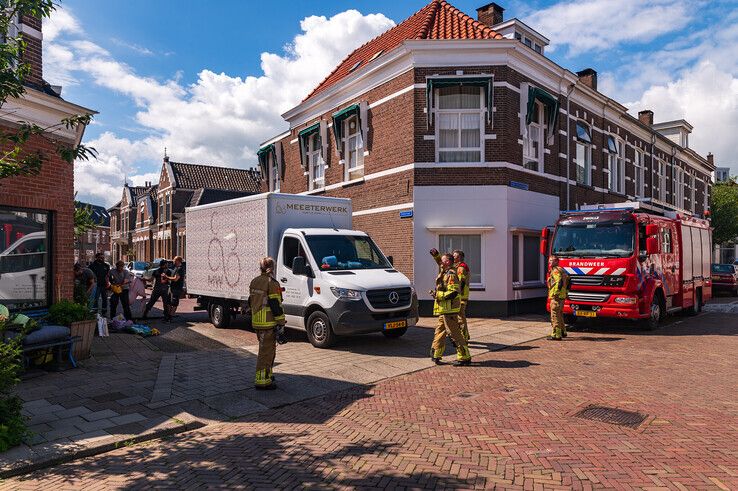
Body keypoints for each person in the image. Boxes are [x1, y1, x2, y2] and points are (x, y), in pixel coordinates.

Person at [249, 257, 286, 390]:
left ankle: (268, 375)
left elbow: (250, 302)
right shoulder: (272, 283)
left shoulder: (254, 281)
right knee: (265, 353)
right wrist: (281, 322)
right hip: (269, 323)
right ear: (272, 268)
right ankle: (262, 381)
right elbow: (276, 305)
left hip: (257, 322)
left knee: (268, 351)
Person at [429, 253, 471, 366]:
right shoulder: (445, 271)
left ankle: (464, 357)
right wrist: (436, 255)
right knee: (439, 331)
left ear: (447, 262)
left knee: (454, 333)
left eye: (442, 261)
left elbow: (453, 292)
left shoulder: (451, 274)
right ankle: (436, 354)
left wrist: (437, 294)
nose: (440, 263)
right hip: (444, 309)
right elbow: (439, 262)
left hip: (450, 309)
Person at [547, 257, 570, 341]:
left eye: (551, 261)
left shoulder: (556, 270)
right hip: (562, 296)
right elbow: (569, 282)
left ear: (557, 261)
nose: (549, 262)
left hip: (556, 297)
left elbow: (558, 282)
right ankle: (563, 331)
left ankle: (556, 335)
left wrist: (556, 293)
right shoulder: (562, 270)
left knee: (555, 315)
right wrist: (566, 293)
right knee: (560, 314)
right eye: (549, 260)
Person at [451, 249, 471, 341]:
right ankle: (463, 335)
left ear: (458, 257)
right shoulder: (459, 266)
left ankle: (464, 336)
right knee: (459, 316)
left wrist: (457, 294)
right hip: (461, 295)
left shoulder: (461, 268)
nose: (452, 257)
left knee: (460, 316)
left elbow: (461, 282)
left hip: (461, 296)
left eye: (454, 256)